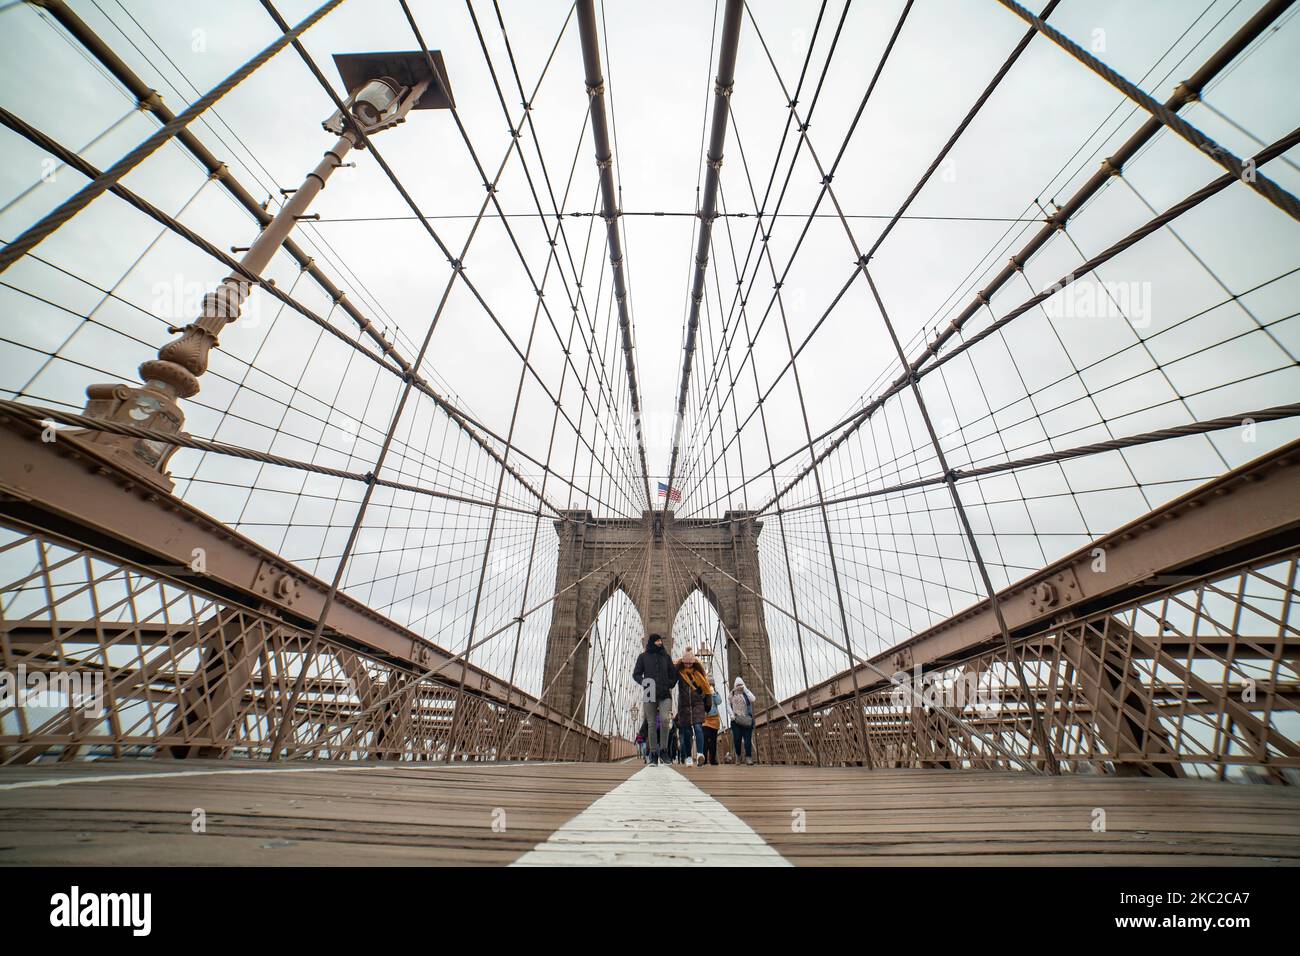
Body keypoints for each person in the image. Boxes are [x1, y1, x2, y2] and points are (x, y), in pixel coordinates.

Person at [632, 633, 676, 765]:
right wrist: (644, 682)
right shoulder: (643, 657)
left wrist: (669, 684)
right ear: (651, 642)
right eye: (657, 641)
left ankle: (663, 750)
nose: (660, 643)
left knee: (664, 719)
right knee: (651, 723)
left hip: (664, 693)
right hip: (649, 690)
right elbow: (636, 674)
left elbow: (673, 675)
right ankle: (653, 754)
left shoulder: (666, 657)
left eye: (660, 640)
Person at [675, 649, 712, 767]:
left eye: (690, 663)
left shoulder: (699, 674)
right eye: (685, 663)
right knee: (686, 732)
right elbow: (670, 679)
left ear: (694, 663)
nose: (688, 665)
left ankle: (700, 754)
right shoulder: (679, 673)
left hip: (697, 704)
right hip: (684, 706)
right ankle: (688, 757)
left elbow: (706, 689)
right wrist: (677, 665)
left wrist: (708, 704)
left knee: (698, 728)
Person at [730, 676, 756, 765]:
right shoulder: (732, 693)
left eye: (741, 684)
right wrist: (731, 715)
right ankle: (738, 756)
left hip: (746, 719)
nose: (739, 686)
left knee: (747, 739)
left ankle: (748, 757)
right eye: (737, 685)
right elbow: (728, 705)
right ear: (734, 685)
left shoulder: (746, 693)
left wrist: (745, 689)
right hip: (736, 720)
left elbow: (753, 699)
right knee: (737, 739)